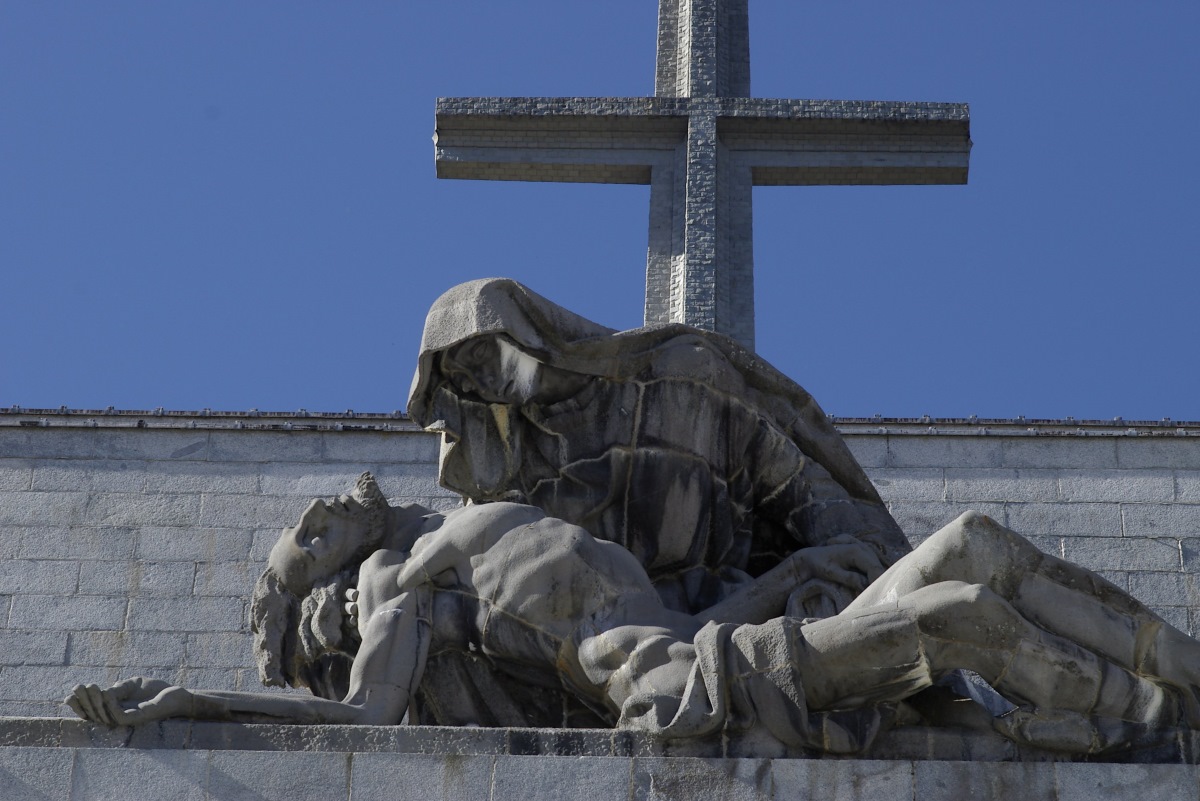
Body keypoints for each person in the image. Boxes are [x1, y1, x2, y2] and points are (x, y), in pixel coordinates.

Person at [68, 474, 1200, 755]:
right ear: (325, 593)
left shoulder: (474, 512)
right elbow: (368, 721)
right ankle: (1126, 716)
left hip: (716, 635)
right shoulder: (394, 590)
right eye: (307, 539)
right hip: (687, 692)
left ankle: (1184, 677)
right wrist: (193, 702)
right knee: (952, 610)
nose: (324, 510)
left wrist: (794, 573)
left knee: (975, 544)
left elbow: (672, 602)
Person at [407, 278, 911, 617]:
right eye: (462, 381)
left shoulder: (682, 378)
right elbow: (468, 558)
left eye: (477, 354)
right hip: (588, 635)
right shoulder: (506, 465)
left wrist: (870, 553)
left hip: (720, 609)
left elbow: (801, 489)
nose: (479, 380)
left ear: (519, 329)